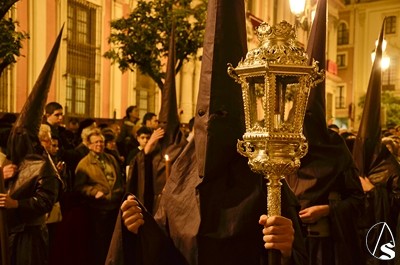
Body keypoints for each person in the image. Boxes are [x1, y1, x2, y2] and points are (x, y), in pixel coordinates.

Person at [75, 128, 125, 265]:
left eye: (101, 142)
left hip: (114, 206)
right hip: (98, 209)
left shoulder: (111, 158)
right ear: (88, 144)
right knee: (100, 242)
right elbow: (79, 186)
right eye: (96, 142)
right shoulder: (84, 164)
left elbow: (119, 179)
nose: (100, 145)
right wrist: (93, 192)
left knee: (113, 240)